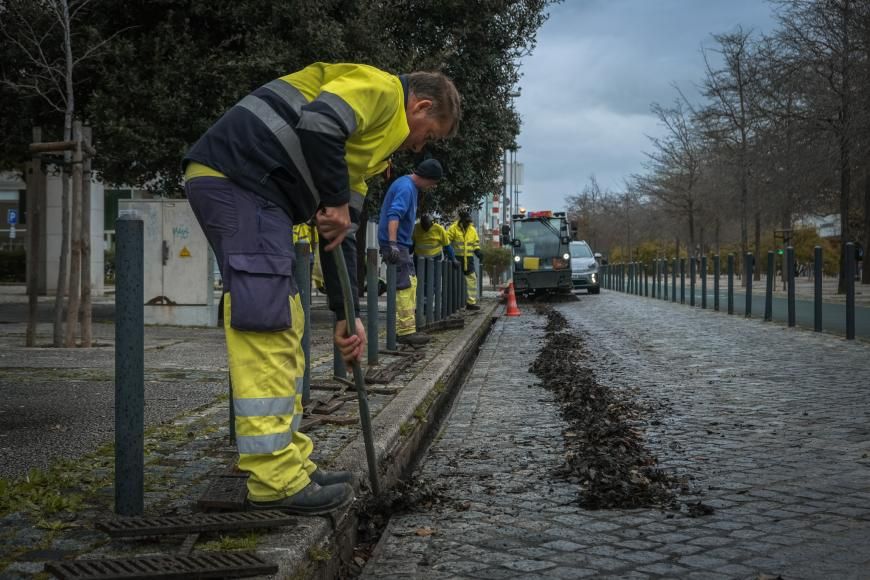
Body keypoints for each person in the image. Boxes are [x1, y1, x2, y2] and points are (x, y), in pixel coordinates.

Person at [183, 63, 461, 515]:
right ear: (421, 104)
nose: (419, 145)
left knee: (287, 319)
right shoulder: (380, 90)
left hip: (260, 191)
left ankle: (292, 461)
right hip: (239, 178)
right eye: (428, 134)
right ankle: (275, 478)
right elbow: (318, 122)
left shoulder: (364, 150)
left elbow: (341, 232)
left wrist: (344, 316)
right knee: (266, 322)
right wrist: (332, 202)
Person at [379, 160, 443, 346]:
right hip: (397, 243)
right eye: (432, 183)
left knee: (410, 282)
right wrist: (392, 244)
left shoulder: (407, 185)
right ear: (427, 178)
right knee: (405, 285)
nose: (432, 187)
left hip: (401, 243)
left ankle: (407, 328)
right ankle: (405, 332)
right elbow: (394, 215)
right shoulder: (406, 188)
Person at [447, 209, 482, 310]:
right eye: (466, 221)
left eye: (469, 221)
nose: (468, 223)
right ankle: (453, 304)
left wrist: (478, 251)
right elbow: (446, 242)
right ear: (461, 220)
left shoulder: (472, 230)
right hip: (456, 259)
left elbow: (475, 243)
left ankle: (471, 303)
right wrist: (451, 257)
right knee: (454, 281)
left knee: (472, 280)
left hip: (468, 260)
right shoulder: (453, 228)